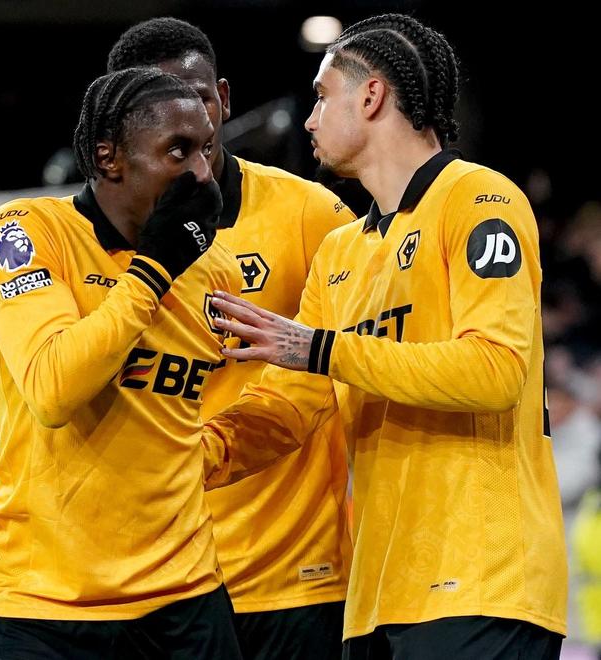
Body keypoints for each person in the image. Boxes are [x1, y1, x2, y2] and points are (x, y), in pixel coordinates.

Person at [202, 13, 567, 660]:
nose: (309, 120)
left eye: (322, 96)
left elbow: (495, 371)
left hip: (481, 586)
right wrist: (183, 457)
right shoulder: (340, 251)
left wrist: (321, 348)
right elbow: (289, 406)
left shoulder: (479, 198)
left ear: (371, 96)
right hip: (375, 596)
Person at [0, 67, 244, 659]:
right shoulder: (27, 232)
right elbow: (53, 389)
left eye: (206, 149)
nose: (203, 172)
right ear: (109, 157)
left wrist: (207, 454)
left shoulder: (217, 270)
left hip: (187, 600)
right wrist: (152, 272)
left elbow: (254, 395)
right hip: (44, 610)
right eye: (178, 151)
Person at [107, 18, 356, 660]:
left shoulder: (313, 216)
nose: (184, 121)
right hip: (154, 579)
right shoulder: (94, 242)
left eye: (197, 98)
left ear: (222, 97)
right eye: (156, 106)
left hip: (295, 577)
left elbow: (352, 363)